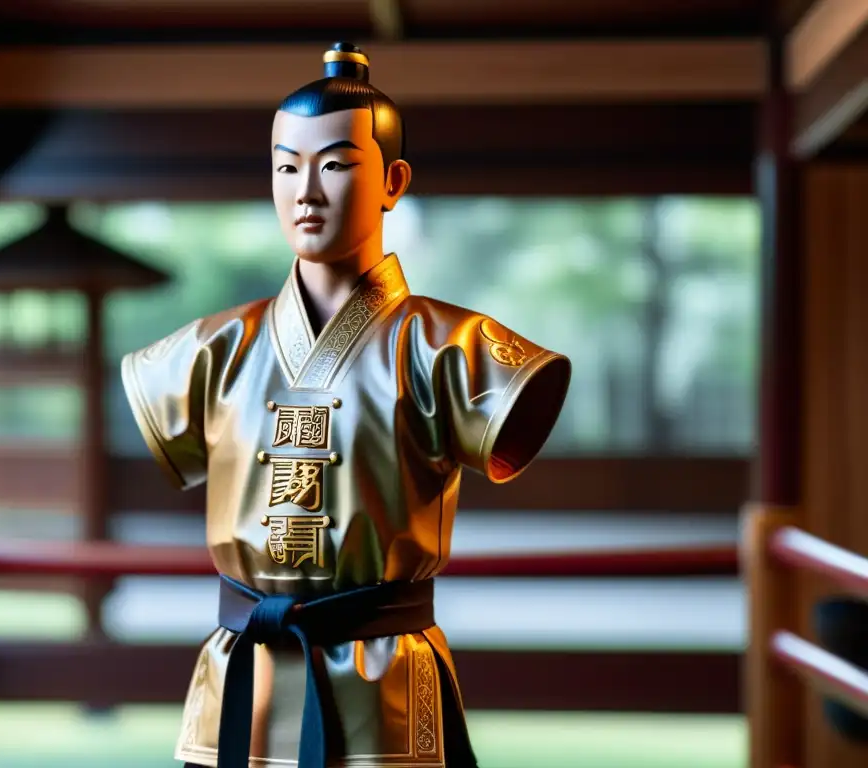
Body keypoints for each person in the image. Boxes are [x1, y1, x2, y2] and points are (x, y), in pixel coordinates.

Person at [121, 41, 572, 768]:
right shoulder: (207, 351)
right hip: (248, 673)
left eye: (333, 165)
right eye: (286, 166)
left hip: (383, 677)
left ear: (393, 181)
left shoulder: (450, 347)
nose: (306, 191)